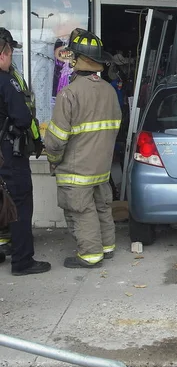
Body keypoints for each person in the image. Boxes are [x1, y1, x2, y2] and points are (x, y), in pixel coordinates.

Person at [45, 30, 122, 268]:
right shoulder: (110, 91)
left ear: (77, 60)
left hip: (77, 169)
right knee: (101, 207)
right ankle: (107, 247)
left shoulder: (69, 93)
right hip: (101, 167)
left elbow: (57, 138)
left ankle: (90, 255)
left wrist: (54, 159)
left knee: (81, 211)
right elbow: (115, 127)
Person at [0, 28, 51, 275]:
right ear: (3, 54)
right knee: (19, 203)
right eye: (11, 53)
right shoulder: (6, 81)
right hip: (8, 153)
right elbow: (21, 116)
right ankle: (22, 261)